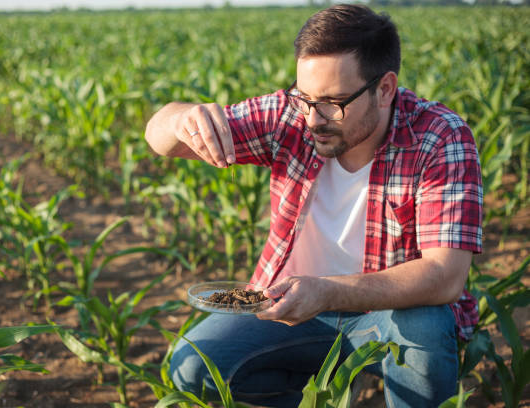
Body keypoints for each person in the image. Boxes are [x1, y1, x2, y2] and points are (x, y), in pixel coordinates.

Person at [144, 4, 483, 407]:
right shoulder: (292, 115)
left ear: (385, 88)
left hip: (387, 314)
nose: (312, 118)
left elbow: (445, 276)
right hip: (293, 309)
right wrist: (180, 117)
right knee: (192, 366)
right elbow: (161, 136)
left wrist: (327, 291)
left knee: (426, 326)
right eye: (304, 97)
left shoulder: (439, 137)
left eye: (333, 103)